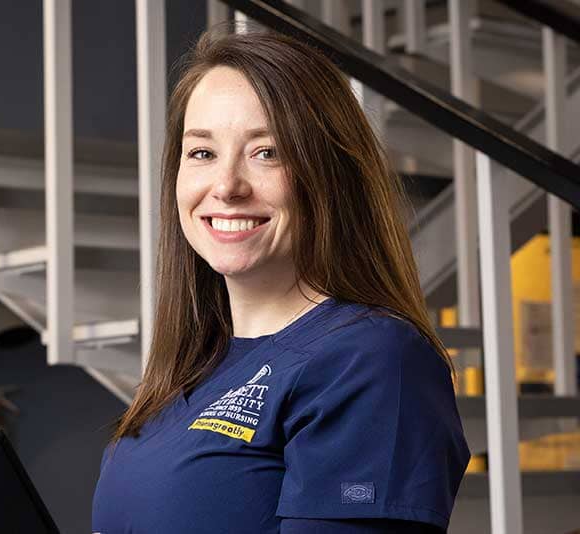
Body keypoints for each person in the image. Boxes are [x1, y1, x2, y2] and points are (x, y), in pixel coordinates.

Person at [92, 23, 470, 534]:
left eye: (267, 152)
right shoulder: (193, 364)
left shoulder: (373, 359)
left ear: (330, 174)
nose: (226, 186)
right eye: (202, 152)